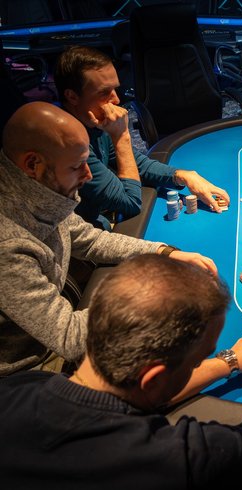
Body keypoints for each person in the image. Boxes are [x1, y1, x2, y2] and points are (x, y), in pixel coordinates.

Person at [0, 253, 242, 488]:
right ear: (154, 378)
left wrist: (231, 360)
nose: (198, 364)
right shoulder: (173, 458)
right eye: (197, 360)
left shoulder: (20, 386)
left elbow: (138, 392)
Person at [0, 102, 218, 376]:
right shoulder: (8, 243)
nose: (88, 175)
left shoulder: (38, 192)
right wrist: (153, 292)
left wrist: (165, 252)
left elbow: (89, 239)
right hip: (30, 372)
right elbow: (69, 337)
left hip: (53, 334)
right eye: (77, 166)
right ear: (33, 164)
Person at [54, 46, 230, 230]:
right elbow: (129, 202)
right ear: (72, 96)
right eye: (104, 92)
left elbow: (139, 164)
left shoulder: (93, 121)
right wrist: (121, 136)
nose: (116, 100)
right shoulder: (70, 142)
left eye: (115, 89)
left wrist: (183, 176)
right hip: (83, 233)